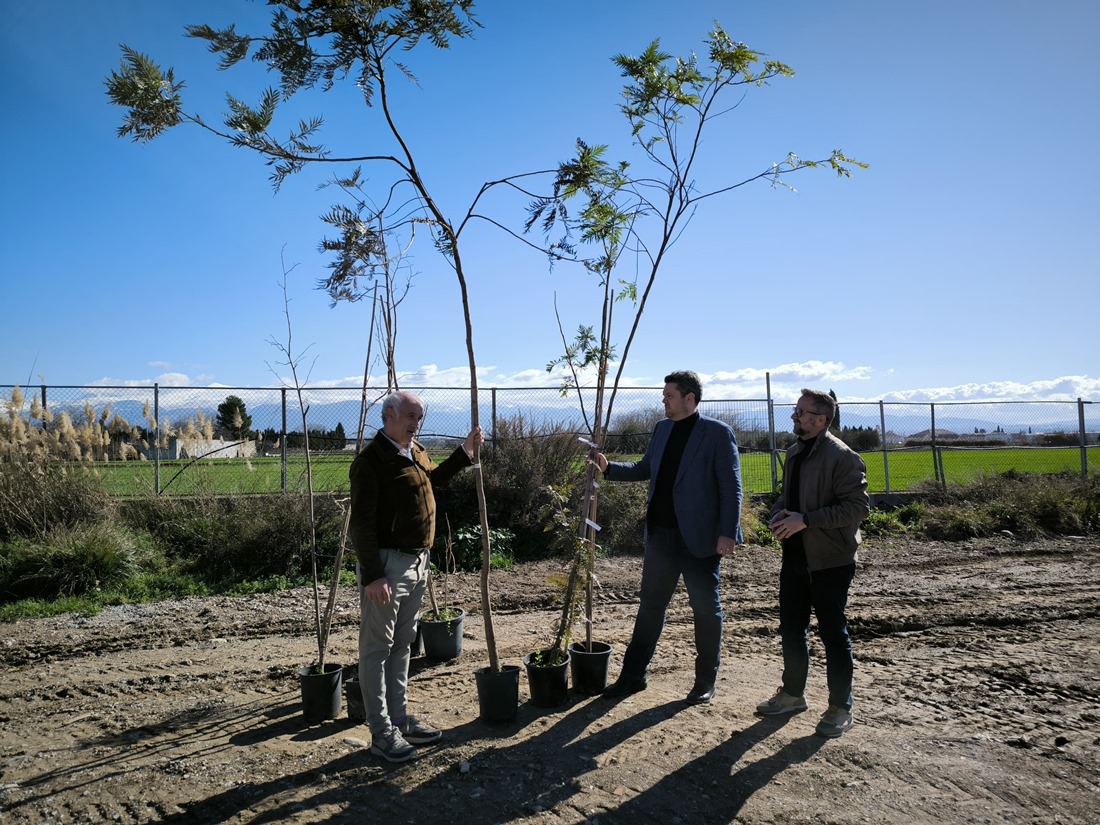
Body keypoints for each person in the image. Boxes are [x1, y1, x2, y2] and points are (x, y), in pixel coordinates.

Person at [591, 370, 743, 705]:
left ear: (690, 398)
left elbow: (732, 487)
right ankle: (633, 676)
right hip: (660, 536)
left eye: (669, 396)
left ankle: (705, 681)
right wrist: (608, 467)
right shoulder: (662, 429)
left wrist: (728, 532)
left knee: (705, 609)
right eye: (664, 396)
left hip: (699, 539)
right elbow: (645, 468)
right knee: (650, 607)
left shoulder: (718, 433)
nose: (664, 401)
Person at [349, 390, 483, 762]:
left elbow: (434, 479)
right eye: (411, 416)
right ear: (389, 415)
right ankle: (381, 733)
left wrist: (465, 452)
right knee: (377, 649)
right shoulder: (370, 462)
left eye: (420, 417)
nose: (416, 423)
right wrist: (373, 575)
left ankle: (400, 719)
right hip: (386, 567)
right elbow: (361, 524)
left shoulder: (414, 451)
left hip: (417, 562)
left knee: (403, 644)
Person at [756, 388, 869, 738]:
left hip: (830, 562)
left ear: (820, 420)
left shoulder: (843, 457)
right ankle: (793, 694)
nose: (794, 416)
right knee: (792, 629)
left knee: (833, 633)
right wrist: (779, 514)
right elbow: (787, 497)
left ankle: (840, 707)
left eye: (801, 412)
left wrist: (806, 520)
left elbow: (857, 508)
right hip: (794, 557)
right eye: (796, 410)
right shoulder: (794, 452)